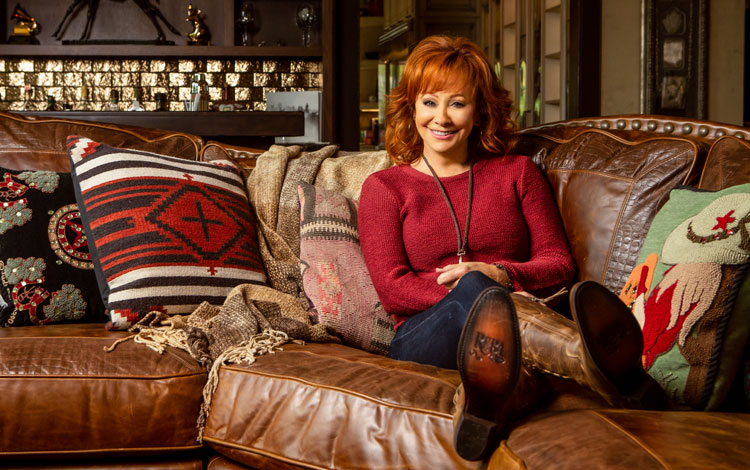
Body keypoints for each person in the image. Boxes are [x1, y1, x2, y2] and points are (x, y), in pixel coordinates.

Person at [358, 35, 666, 462]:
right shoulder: (385, 188)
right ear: (410, 108)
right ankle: (598, 365)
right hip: (426, 334)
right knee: (477, 293)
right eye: (429, 102)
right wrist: (483, 292)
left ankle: (487, 403)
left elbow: (558, 264)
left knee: (501, 344)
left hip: (509, 332)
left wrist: (502, 275)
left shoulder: (516, 173)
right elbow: (394, 289)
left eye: (457, 103)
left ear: (480, 110)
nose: (441, 118)